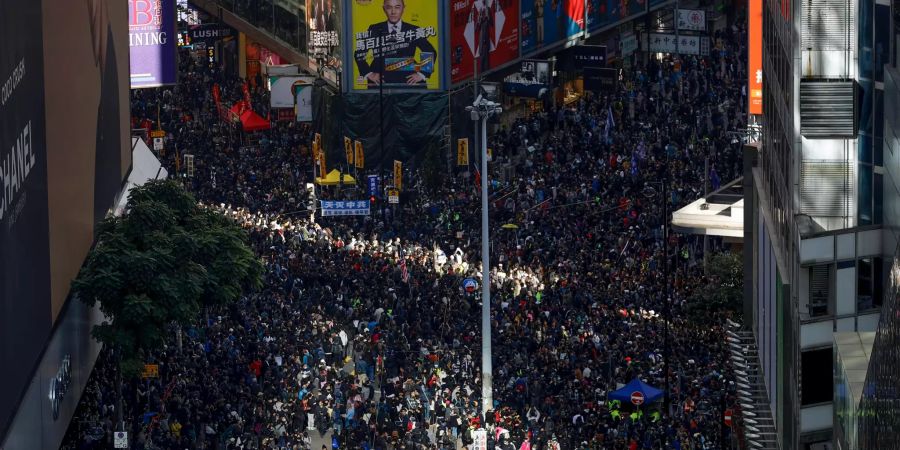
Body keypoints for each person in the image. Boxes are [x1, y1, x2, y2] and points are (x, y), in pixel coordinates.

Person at [353, 0, 437, 87]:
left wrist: (421, 74)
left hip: (408, 82)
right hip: (381, 83)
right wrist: (369, 74)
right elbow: (359, 53)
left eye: (397, 7)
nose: (393, 12)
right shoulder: (374, 29)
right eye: (389, 7)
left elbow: (430, 51)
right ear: (384, 9)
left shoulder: (413, 30)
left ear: (403, 8)